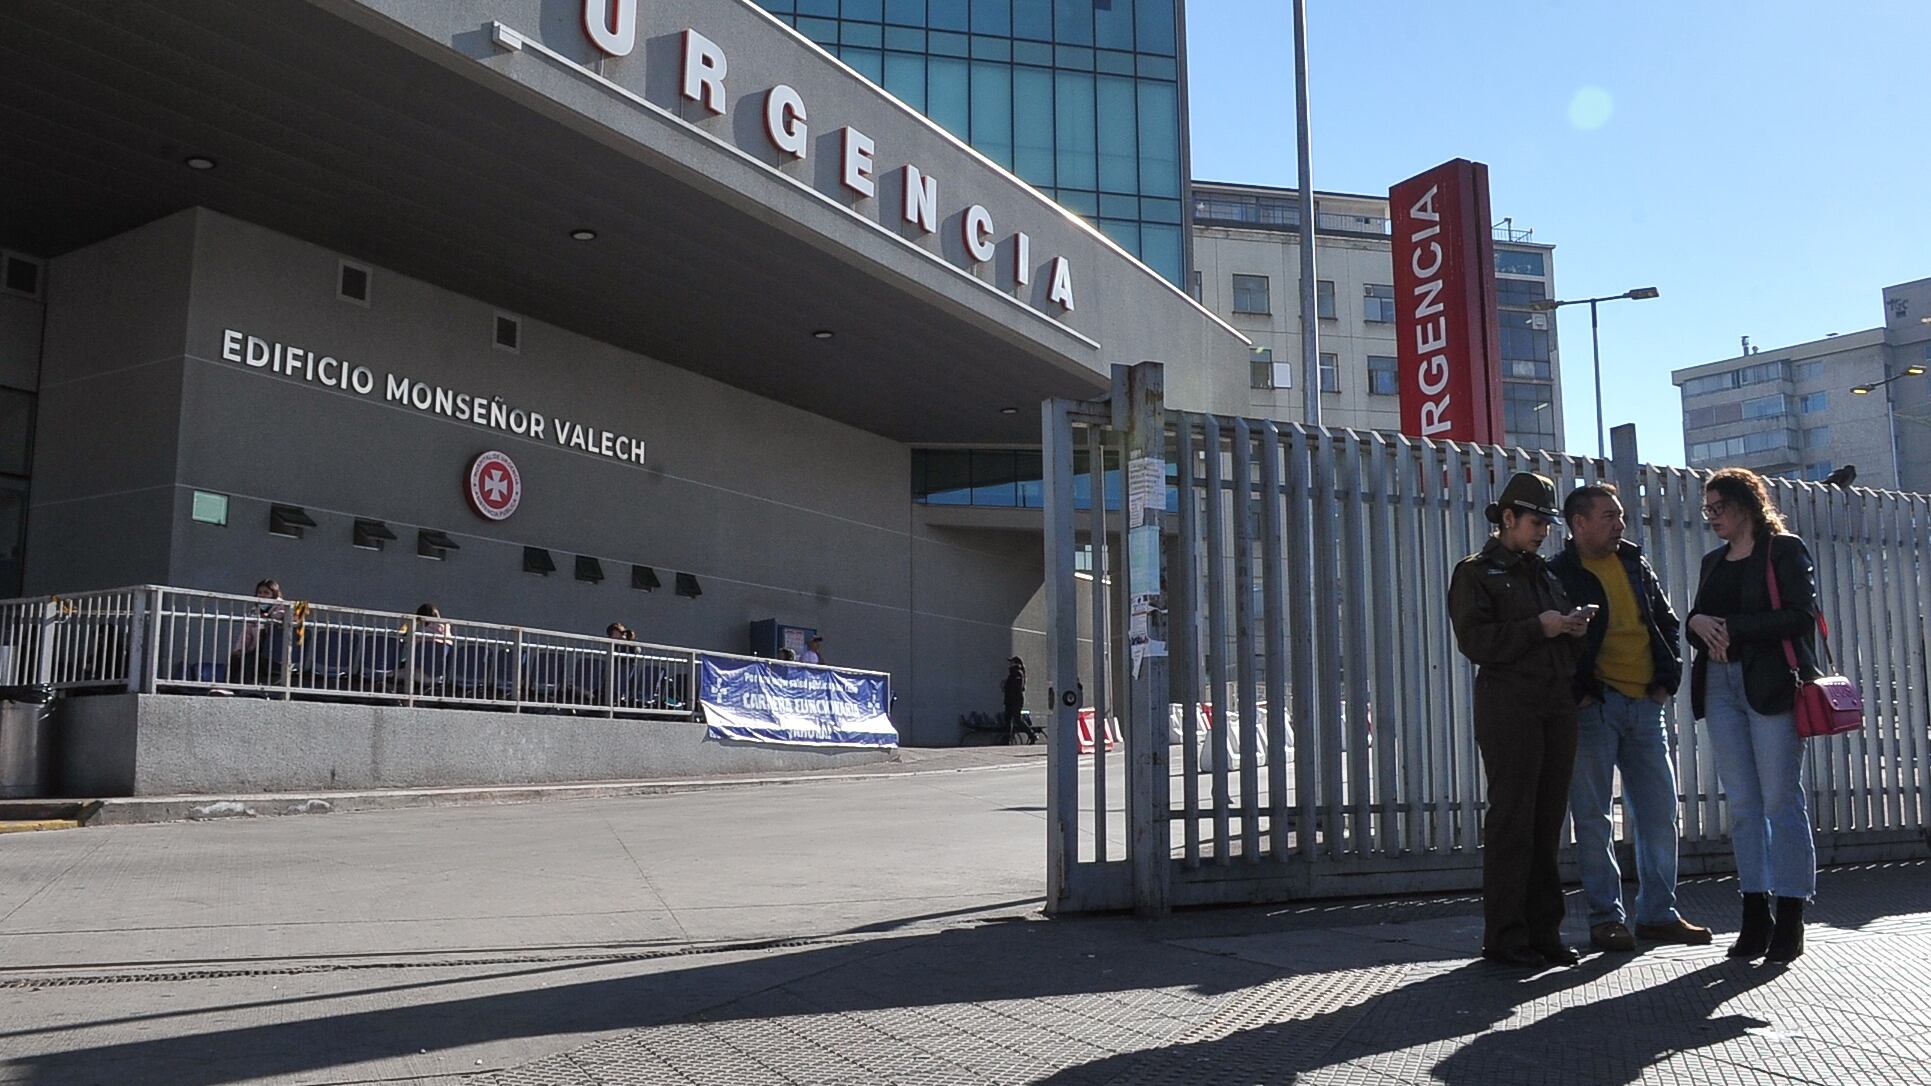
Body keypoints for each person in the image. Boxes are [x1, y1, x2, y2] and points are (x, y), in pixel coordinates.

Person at [1548, 484, 1711, 953]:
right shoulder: (1559, 571)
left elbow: (1665, 619)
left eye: (1620, 515)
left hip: (1645, 705)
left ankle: (1659, 914)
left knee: (1660, 813)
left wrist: (1666, 681)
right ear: (1579, 523)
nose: (1620, 523)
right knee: (1594, 819)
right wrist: (1580, 693)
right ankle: (1605, 919)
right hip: (1594, 707)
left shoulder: (1634, 563)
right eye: (1608, 516)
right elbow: (1556, 642)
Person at [1448, 472, 1590, 968]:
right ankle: (1506, 936)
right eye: (1535, 521)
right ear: (1507, 519)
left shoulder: (1543, 573)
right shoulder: (1476, 572)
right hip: (1509, 703)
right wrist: (1540, 627)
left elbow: (1548, 630)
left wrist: (1570, 627)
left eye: (1547, 523)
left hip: (1554, 700)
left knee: (1548, 819)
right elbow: (1476, 642)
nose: (1542, 531)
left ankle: (1544, 931)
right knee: (1514, 819)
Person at [1687, 468, 1820, 964]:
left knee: (1781, 800)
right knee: (1743, 805)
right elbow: (1698, 623)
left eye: (1719, 507)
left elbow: (1801, 616)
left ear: (1746, 503)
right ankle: (1754, 912)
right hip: (1720, 686)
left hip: (1770, 686)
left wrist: (1732, 628)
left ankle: (1790, 914)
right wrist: (1694, 621)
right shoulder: (1712, 561)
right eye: (1708, 510)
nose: (1713, 517)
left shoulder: (1783, 549)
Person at [226, 579, 287, 686]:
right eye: (260, 592)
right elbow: (247, 632)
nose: (262, 595)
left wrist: (270, 617)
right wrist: (240, 649)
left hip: (273, 651)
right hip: (256, 647)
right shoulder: (255, 610)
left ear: (274, 594)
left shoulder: (281, 606)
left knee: (251, 660)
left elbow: (284, 614)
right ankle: (228, 686)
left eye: (266, 593)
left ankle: (244, 686)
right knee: (236, 658)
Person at [1001, 657, 1027, 743]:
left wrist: (1006, 687)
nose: (1009, 664)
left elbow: (1016, 688)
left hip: (1015, 700)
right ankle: (1006, 739)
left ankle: (1031, 734)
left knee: (1017, 719)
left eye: (1011, 662)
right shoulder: (1013, 673)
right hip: (1010, 699)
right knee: (1008, 719)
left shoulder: (1017, 673)